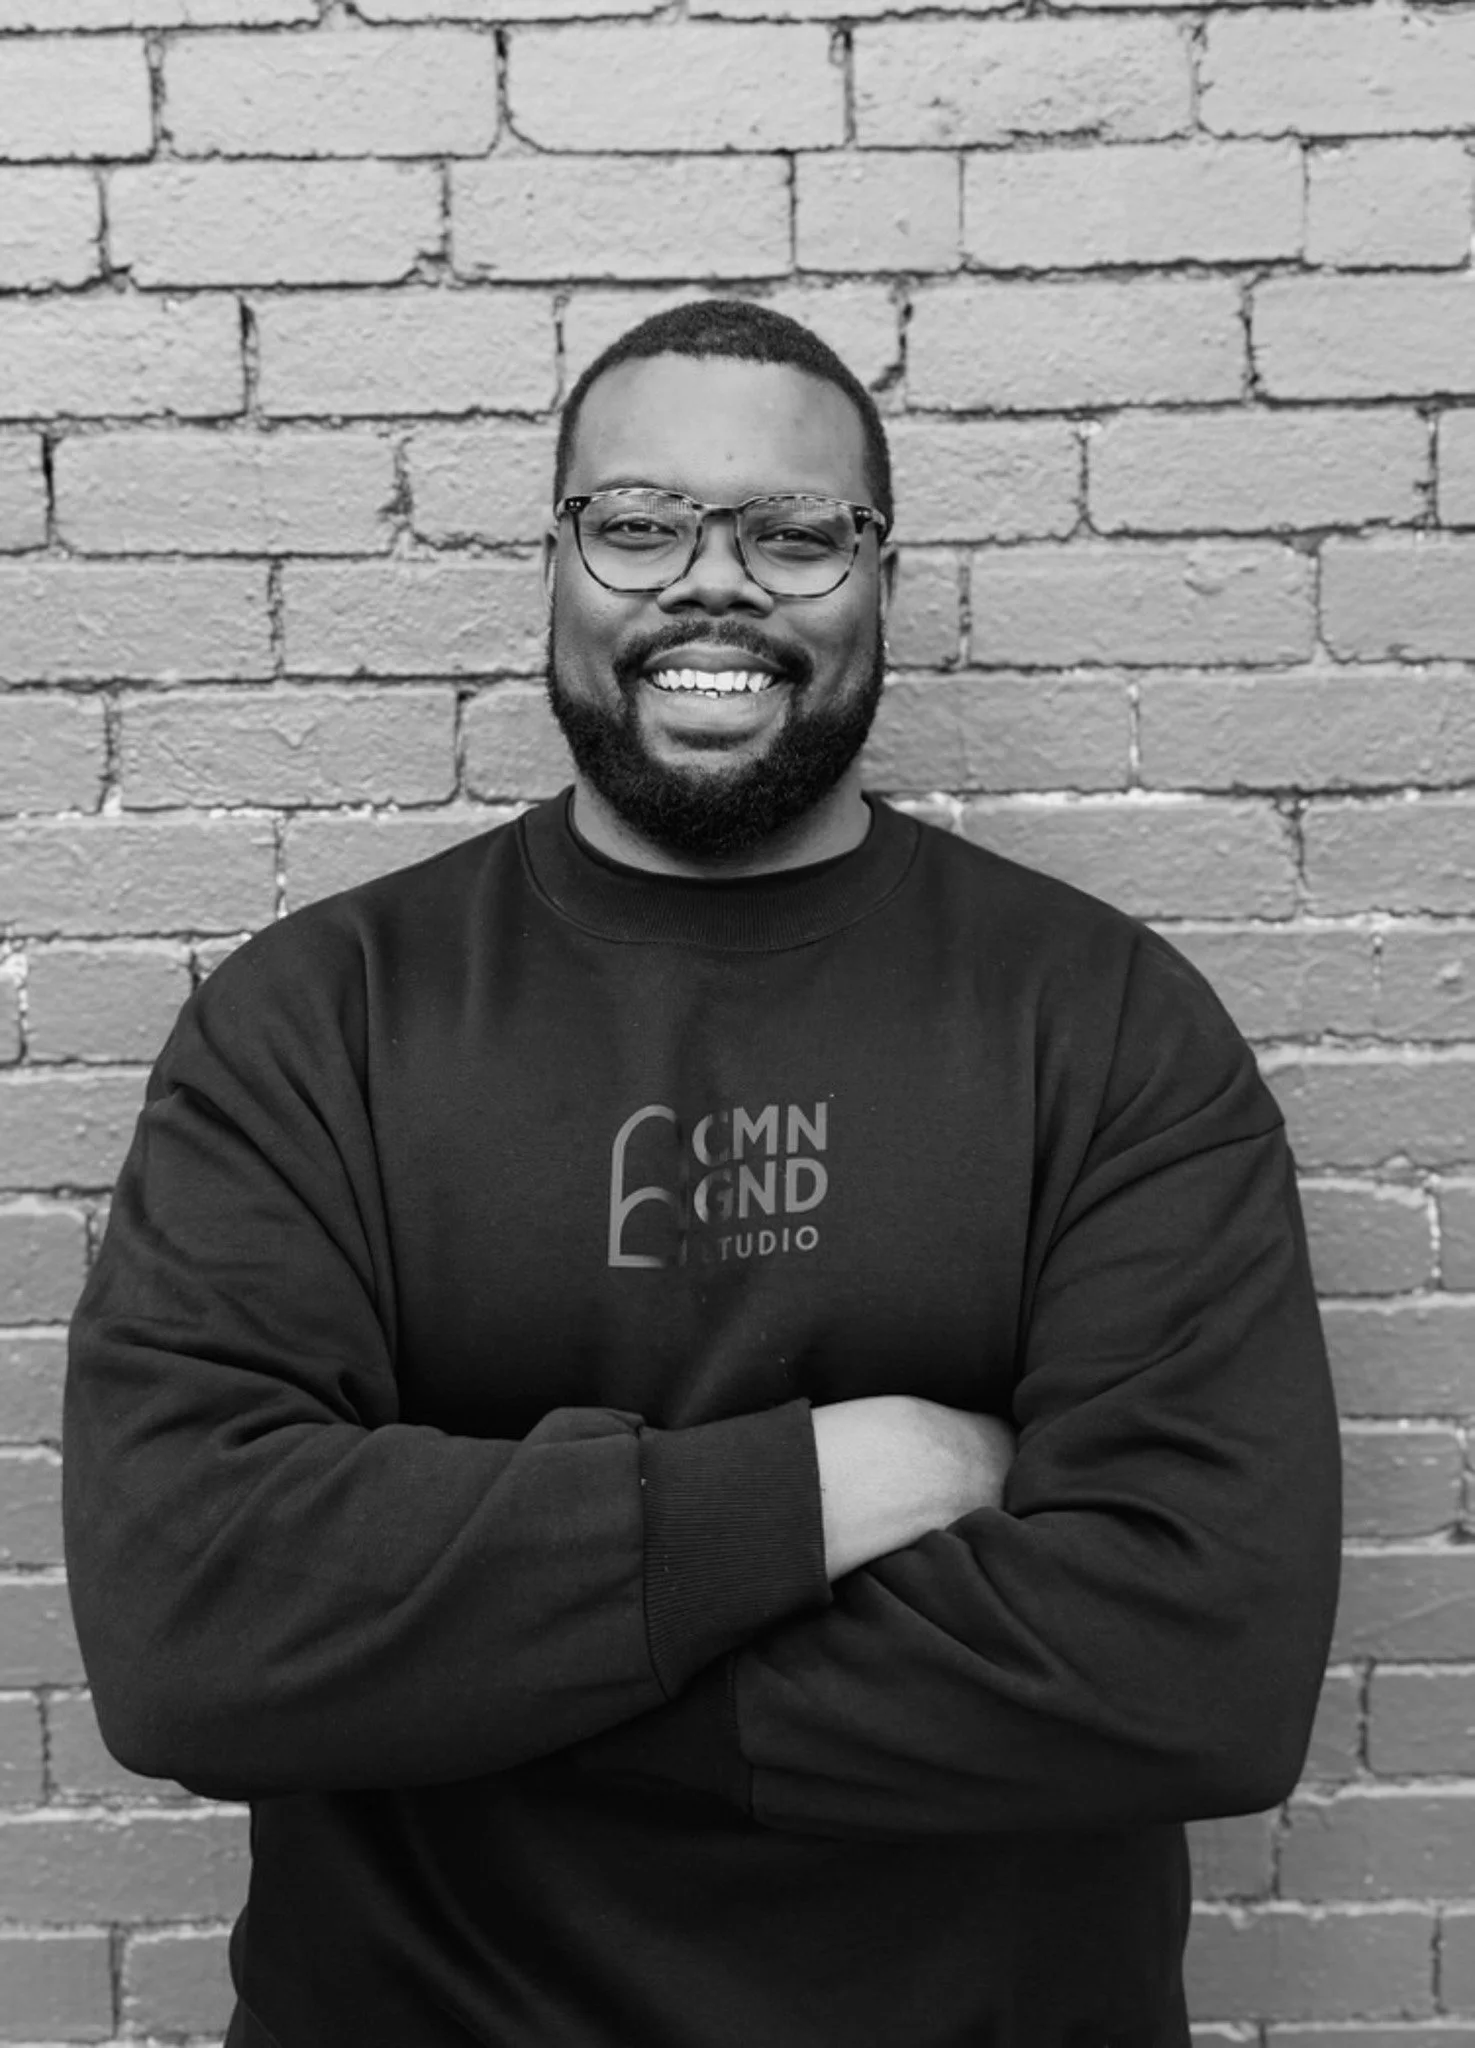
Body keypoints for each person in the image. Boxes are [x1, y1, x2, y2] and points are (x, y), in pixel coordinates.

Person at [64, 298, 1341, 2048]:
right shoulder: (319, 1022)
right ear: (560, 564)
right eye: (639, 523)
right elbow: (195, 1626)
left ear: (882, 576)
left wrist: (461, 1657)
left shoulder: (1101, 1021)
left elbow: (1196, 1671)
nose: (710, 583)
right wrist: (827, 1485)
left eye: (796, 534)